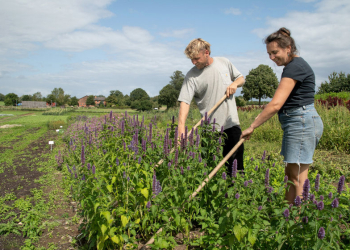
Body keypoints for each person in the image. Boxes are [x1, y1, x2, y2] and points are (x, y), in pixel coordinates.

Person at [241, 27, 323, 204]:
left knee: (298, 178)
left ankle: (296, 222)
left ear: (288, 48)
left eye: (275, 52)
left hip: (301, 122)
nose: (272, 58)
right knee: (291, 175)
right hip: (298, 122)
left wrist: (252, 126)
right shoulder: (293, 66)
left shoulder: (295, 67)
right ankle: (287, 218)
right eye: (269, 53)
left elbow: (275, 104)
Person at [178, 38, 245, 174]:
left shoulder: (224, 62)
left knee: (236, 169)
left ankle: (236, 194)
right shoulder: (191, 76)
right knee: (208, 170)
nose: (193, 62)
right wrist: (181, 129)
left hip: (231, 125)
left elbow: (241, 78)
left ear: (206, 52)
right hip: (210, 131)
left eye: (196, 58)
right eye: (191, 59)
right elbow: (185, 102)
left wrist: (234, 84)